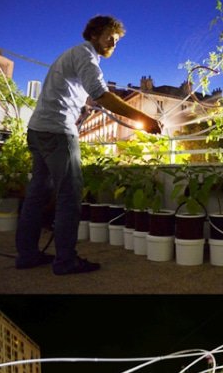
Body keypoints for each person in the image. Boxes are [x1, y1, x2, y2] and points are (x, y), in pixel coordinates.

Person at [15, 15, 160, 275]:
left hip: (37, 130)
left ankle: (26, 255)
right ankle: (65, 261)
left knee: (37, 194)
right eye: (109, 36)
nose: (114, 42)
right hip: (57, 132)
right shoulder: (86, 56)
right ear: (93, 35)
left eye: (116, 40)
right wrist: (144, 119)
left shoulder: (72, 54)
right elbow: (102, 95)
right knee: (69, 195)